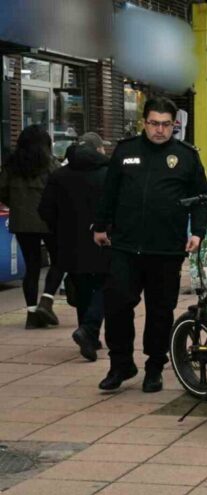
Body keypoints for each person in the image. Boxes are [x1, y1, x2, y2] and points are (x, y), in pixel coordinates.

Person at [93, 97, 207, 392]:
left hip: (166, 249)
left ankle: (154, 367)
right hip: (125, 246)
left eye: (166, 124)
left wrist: (197, 232)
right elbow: (109, 192)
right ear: (144, 123)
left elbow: (202, 200)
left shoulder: (185, 156)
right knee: (117, 305)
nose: (160, 130)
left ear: (175, 125)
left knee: (160, 311)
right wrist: (100, 225)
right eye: (154, 123)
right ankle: (120, 364)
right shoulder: (125, 150)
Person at [38, 133, 110, 361]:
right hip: (102, 239)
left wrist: (59, 228)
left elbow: (45, 209)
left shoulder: (59, 175)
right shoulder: (107, 174)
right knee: (105, 285)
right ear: (97, 150)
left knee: (82, 287)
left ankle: (87, 334)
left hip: (69, 242)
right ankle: (88, 330)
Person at [0, 125, 63, 329]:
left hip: (21, 222)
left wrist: (16, 205)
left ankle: (31, 313)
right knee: (60, 259)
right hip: (48, 220)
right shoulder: (50, 164)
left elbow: (2, 192)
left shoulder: (11, 166)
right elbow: (61, 190)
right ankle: (46, 300)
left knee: (32, 267)